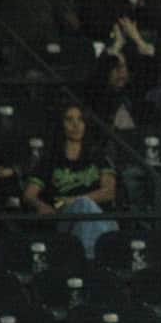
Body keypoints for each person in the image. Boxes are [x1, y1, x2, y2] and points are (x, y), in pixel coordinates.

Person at [21, 104, 117, 258]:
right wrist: (42, 206)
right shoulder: (50, 159)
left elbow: (109, 192)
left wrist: (75, 200)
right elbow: (29, 194)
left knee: (85, 205)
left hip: (97, 213)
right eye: (69, 119)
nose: (75, 124)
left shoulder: (97, 155)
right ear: (61, 124)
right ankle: (93, 261)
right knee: (83, 206)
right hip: (62, 209)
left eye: (80, 119)